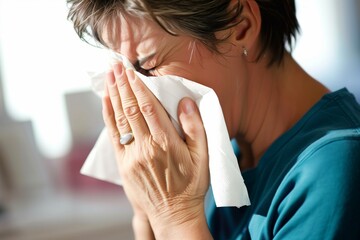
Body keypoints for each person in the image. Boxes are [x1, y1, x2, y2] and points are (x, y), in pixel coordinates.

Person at [66, 0, 360, 239]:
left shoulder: (334, 168)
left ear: (239, 26)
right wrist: (147, 208)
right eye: (125, 70)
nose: (139, 92)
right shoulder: (224, 161)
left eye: (150, 64)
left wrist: (174, 213)